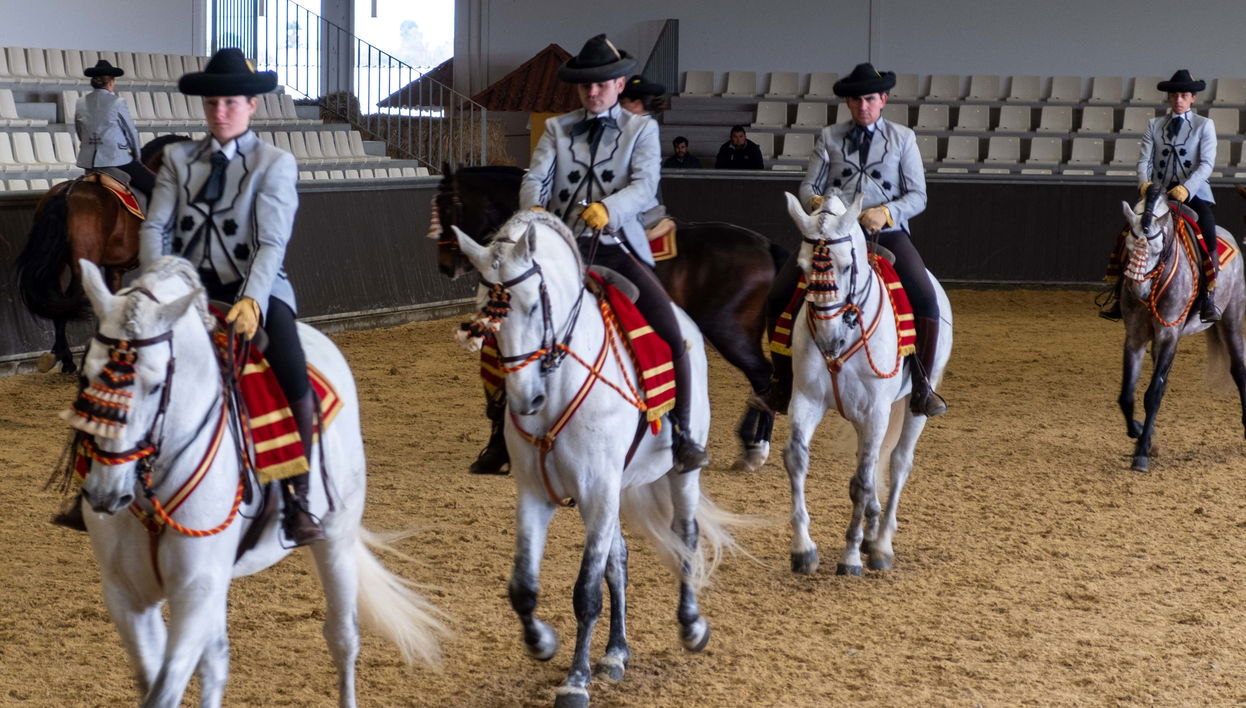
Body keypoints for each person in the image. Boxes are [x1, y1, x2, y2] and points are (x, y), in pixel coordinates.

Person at [138, 48, 323, 546]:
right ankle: (94, 478)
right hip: (185, 288)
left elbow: (270, 243)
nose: (220, 112)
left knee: (289, 369)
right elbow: (156, 226)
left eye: (230, 103)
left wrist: (253, 299)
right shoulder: (178, 159)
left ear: (252, 106)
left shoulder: (274, 164)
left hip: (255, 288)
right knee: (118, 356)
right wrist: (159, 286)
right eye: (213, 103)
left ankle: (297, 497)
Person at [516, 33, 708, 472]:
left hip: (617, 247)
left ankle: (681, 433)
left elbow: (644, 186)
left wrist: (610, 208)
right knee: (507, 322)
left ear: (620, 85)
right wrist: (537, 213)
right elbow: (534, 177)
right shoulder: (556, 129)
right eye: (586, 84)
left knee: (672, 334)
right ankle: (500, 430)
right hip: (561, 250)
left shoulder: (643, 129)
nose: (593, 91)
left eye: (602, 83)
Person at [766, 62, 945, 417]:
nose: (863, 106)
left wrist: (888, 212)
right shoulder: (829, 136)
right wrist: (820, 205)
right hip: (831, 236)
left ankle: (922, 388)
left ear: (883, 99)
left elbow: (918, 196)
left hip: (886, 233)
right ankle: (782, 384)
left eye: (869, 99)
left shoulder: (903, 138)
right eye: (855, 100)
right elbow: (808, 187)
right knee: (777, 295)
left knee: (926, 298)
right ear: (847, 103)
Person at [1102, 70, 1219, 322]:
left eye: (1184, 95)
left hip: (1193, 192)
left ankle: (1209, 296)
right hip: (1159, 192)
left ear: (1193, 99)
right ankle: (1119, 293)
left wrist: (1187, 188)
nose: (1179, 99)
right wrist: (1144, 184)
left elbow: (1207, 164)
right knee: (1130, 232)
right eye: (1175, 95)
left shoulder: (1204, 125)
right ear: (1169, 98)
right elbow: (1144, 159)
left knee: (1208, 232)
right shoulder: (1154, 125)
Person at [75, 59, 154, 200]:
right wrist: (137, 156)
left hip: (89, 163)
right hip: (115, 159)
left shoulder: (80, 102)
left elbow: (80, 131)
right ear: (111, 82)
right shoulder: (117, 102)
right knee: (156, 186)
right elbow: (130, 132)